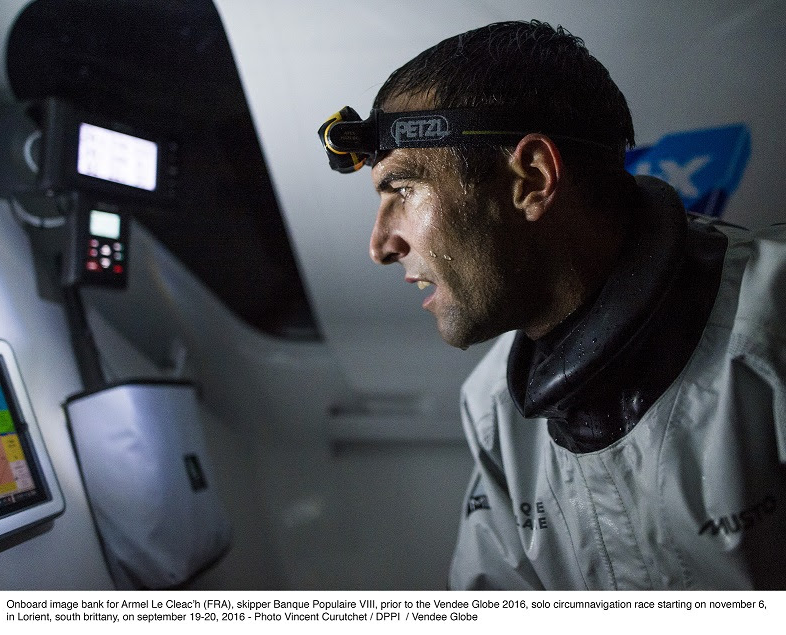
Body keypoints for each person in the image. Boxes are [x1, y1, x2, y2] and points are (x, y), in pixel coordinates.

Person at [318, 20, 786, 589]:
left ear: (532, 179)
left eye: (404, 190)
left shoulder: (771, 325)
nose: (380, 246)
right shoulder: (494, 404)